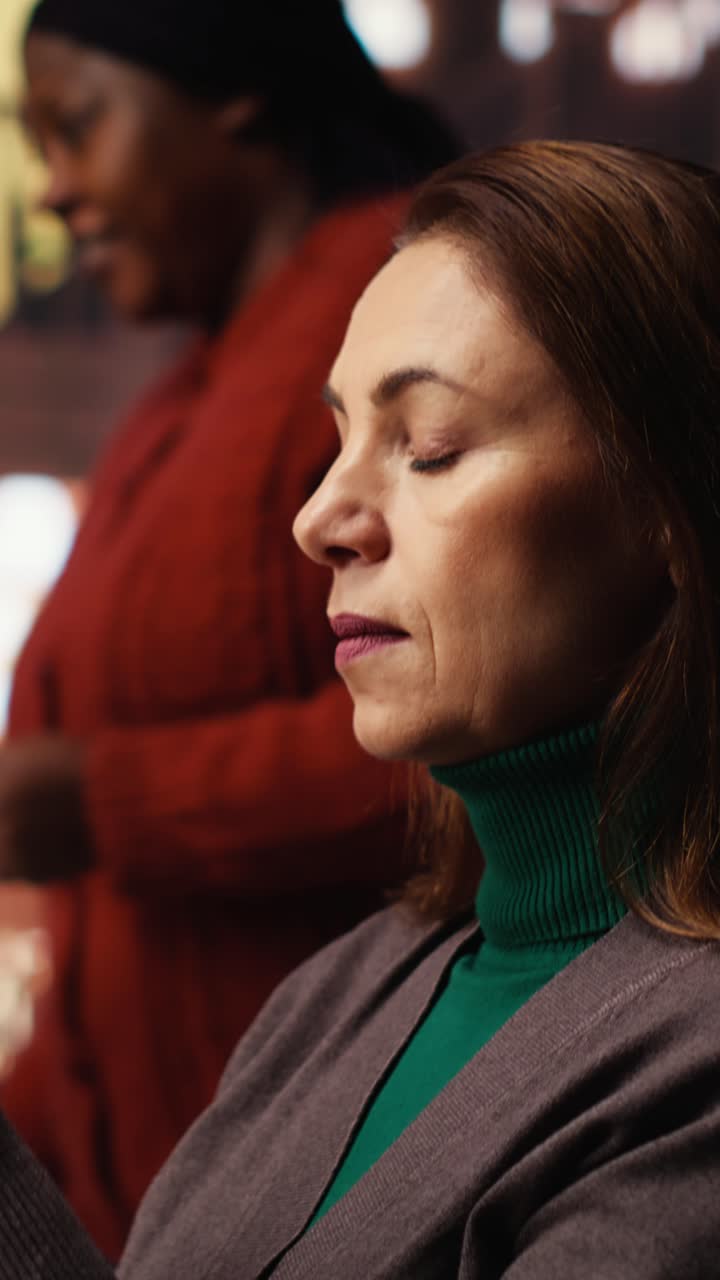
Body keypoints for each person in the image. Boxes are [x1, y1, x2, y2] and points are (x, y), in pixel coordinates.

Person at [3, 137, 720, 1278]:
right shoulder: (339, 992)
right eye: (339, 438)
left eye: (428, 447)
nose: (320, 518)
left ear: (676, 507)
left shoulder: (694, 1079)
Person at [0, 0, 458, 1258]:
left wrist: (111, 803)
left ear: (228, 92)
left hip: (323, 1194)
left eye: (76, 128)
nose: (56, 192)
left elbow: (481, 730)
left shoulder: (403, 325)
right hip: (155, 1195)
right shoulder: (175, 399)